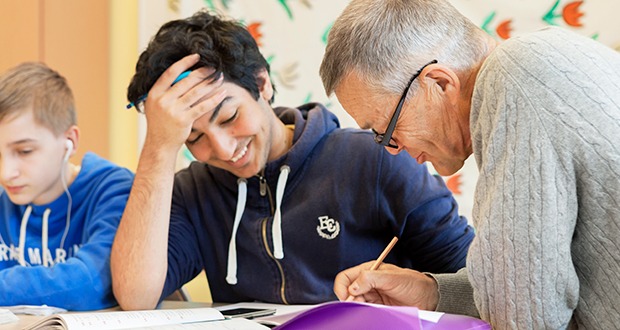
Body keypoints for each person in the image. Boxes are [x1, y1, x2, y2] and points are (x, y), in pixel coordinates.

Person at [110, 10, 474, 310]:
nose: (221, 149)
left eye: (228, 117)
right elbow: (136, 297)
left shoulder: (376, 160)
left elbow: (473, 282)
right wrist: (158, 147)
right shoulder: (194, 190)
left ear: (262, 83)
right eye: (194, 137)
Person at [319, 0, 620, 328]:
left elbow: (524, 319)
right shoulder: (550, 56)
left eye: (387, 131)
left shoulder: (515, 75)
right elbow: (535, 290)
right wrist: (431, 292)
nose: (392, 151)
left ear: (440, 83)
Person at [0, 62, 134, 310]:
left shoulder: (113, 189)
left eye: (24, 151)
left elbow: (91, 282)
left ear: (69, 141)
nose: (6, 173)